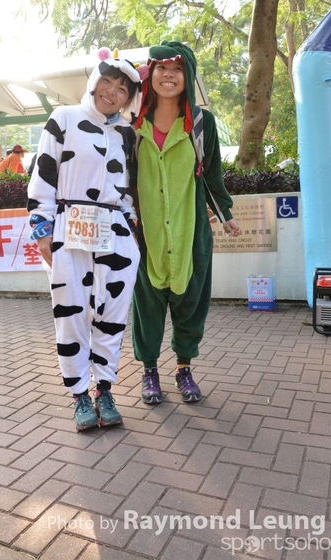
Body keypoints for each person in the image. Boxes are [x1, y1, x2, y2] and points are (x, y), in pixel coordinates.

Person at [27, 47, 145, 431]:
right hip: (69, 228)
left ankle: (104, 390)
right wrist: (42, 229)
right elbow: (44, 175)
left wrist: (132, 234)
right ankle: (79, 394)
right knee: (72, 313)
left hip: (116, 232)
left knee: (113, 315)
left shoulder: (127, 134)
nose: (112, 92)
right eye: (107, 81)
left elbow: (129, 189)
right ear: (95, 81)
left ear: (129, 98)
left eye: (122, 88)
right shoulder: (64, 118)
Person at [131, 39, 241, 405]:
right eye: (162, 68)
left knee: (190, 304)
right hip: (145, 236)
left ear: (188, 75)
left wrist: (225, 214)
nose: (169, 75)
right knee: (147, 307)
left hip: (190, 232)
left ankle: (183, 368)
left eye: (177, 68)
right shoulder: (133, 125)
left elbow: (211, 174)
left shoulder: (201, 124)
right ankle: (149, 371)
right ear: (151, 74)